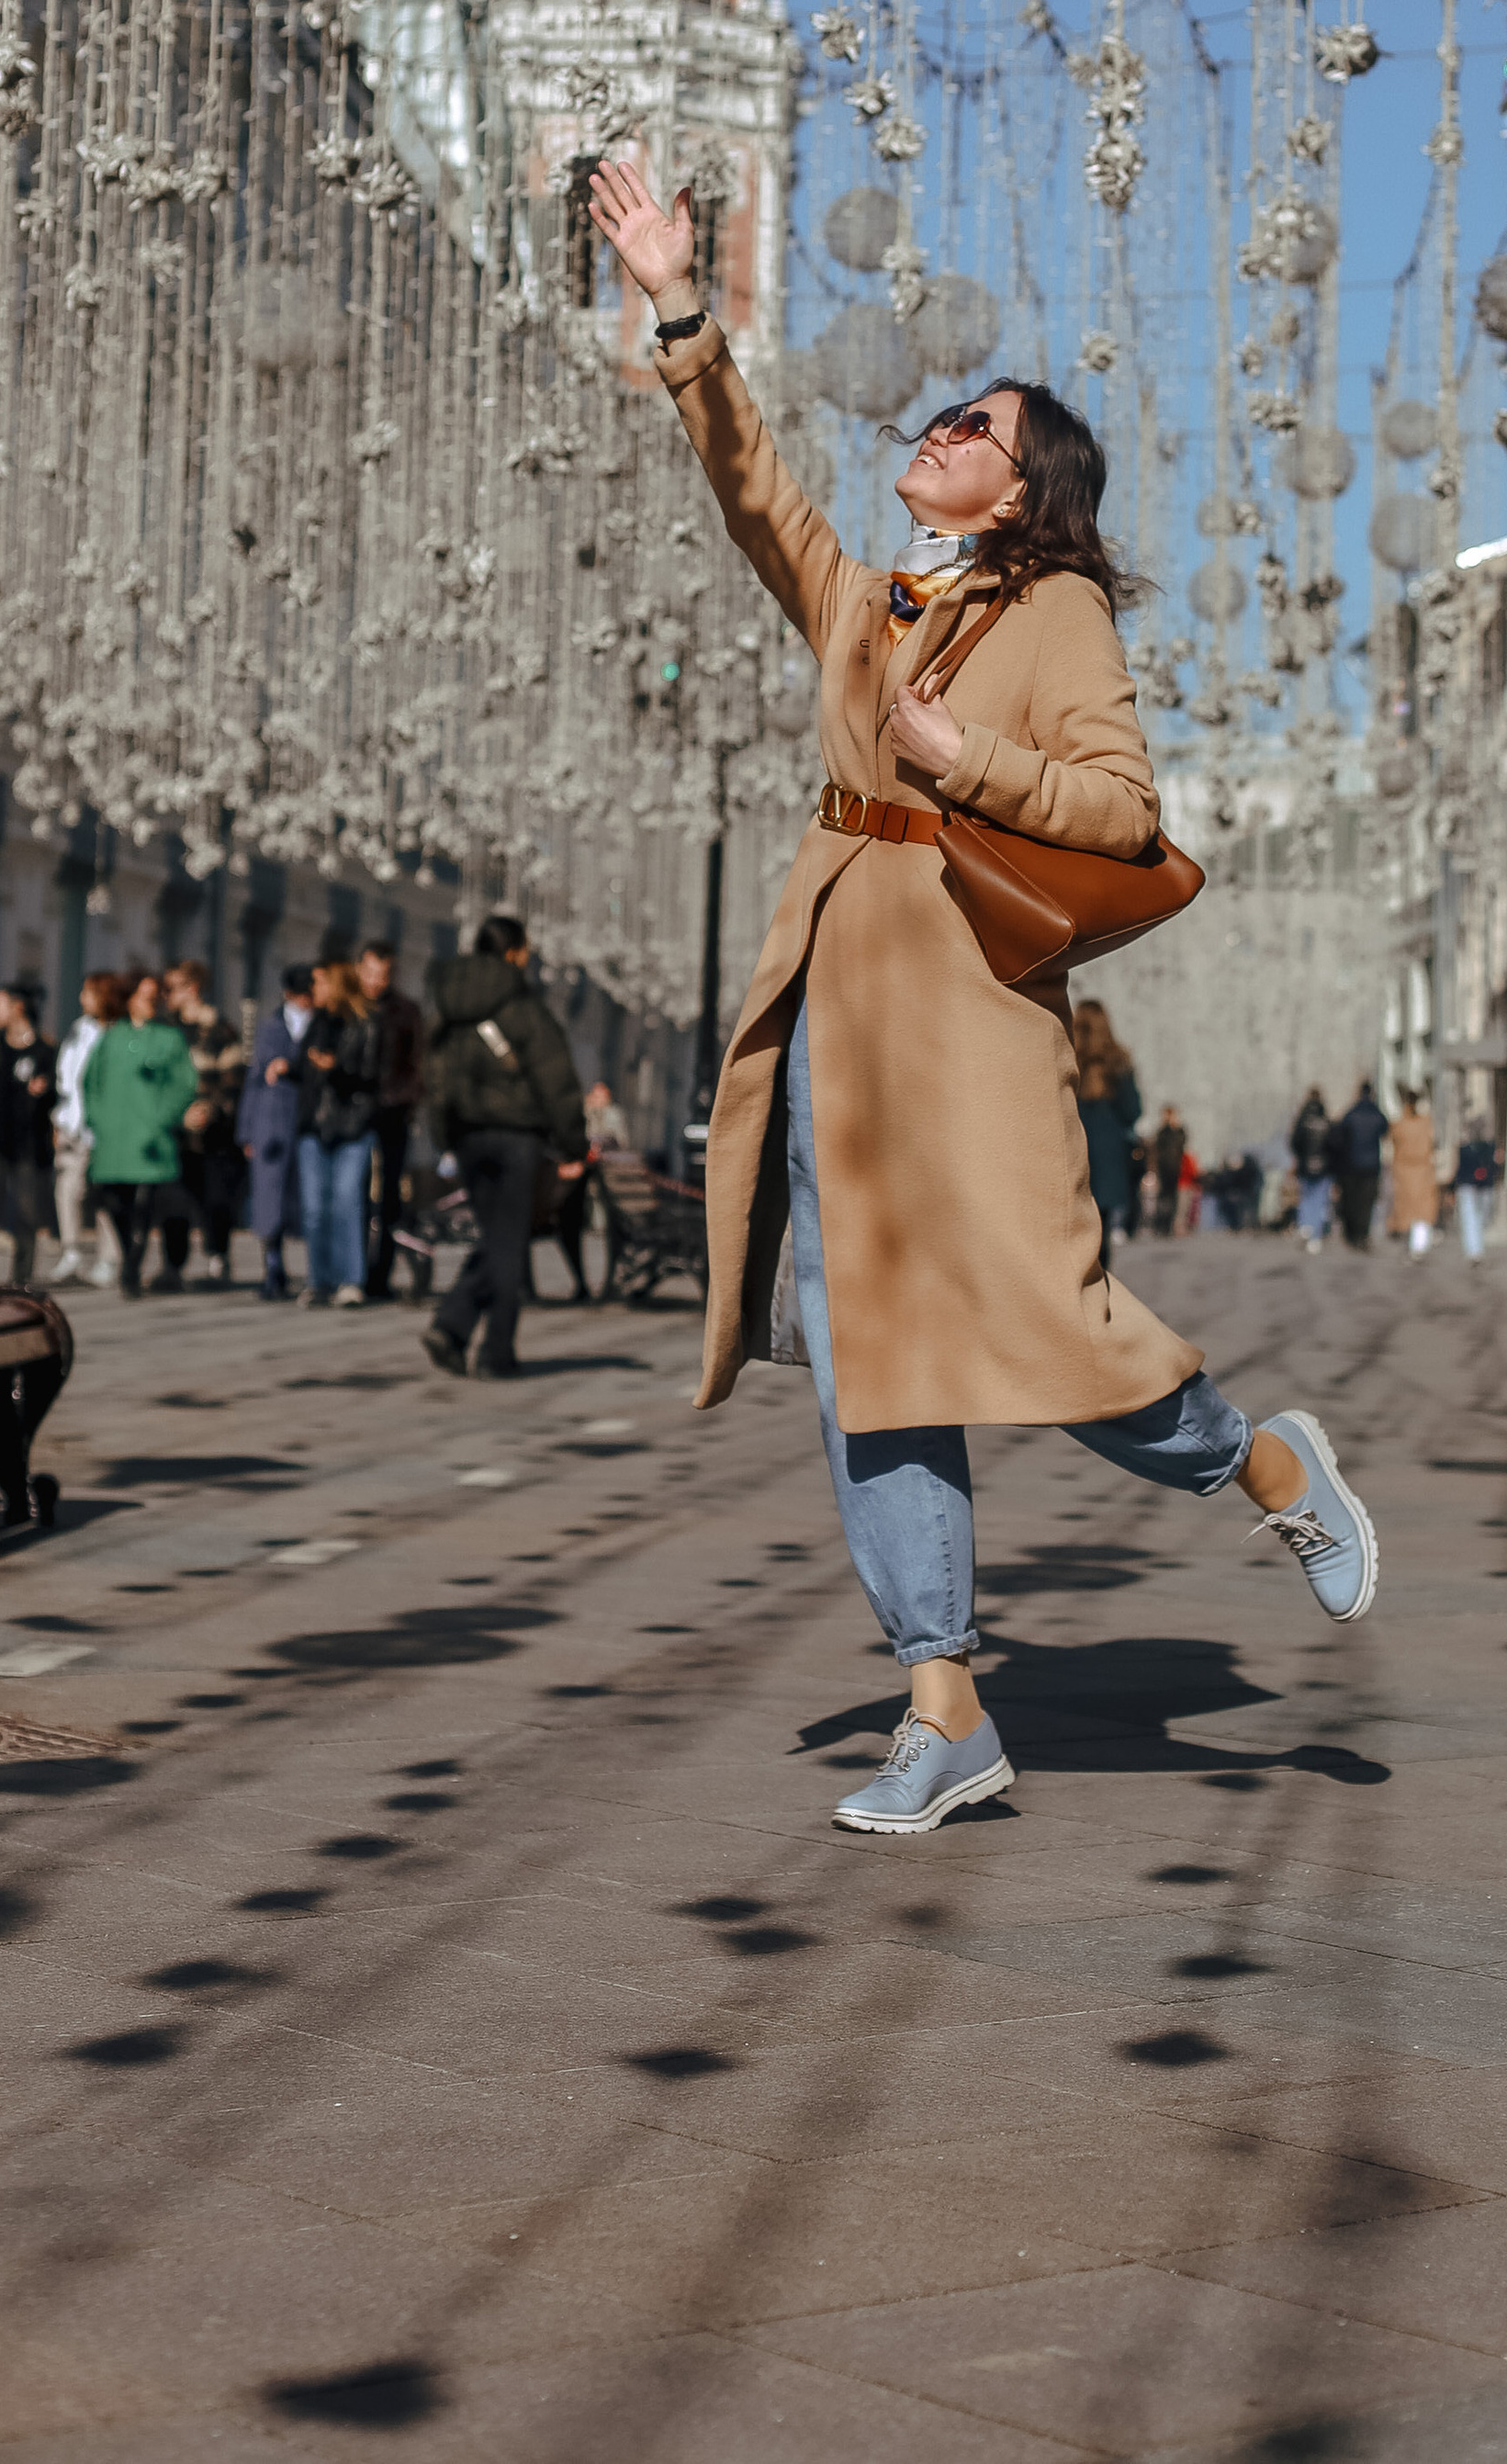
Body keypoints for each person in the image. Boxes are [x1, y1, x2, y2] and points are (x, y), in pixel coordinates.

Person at [588, 151, 1378, 1838]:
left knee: (1050, 1326)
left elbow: (1126, 813)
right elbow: (758, 493)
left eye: (975, 427)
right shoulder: (870, 603)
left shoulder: (1060, 607)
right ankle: (942, 1701)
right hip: (838, 1018)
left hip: (974, 1019)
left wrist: (971, 760)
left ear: (1024, 493)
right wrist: (683, 310)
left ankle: (1262, 1460)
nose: (938, 429)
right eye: (943, 414)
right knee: (867, 1353)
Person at [422, 916, 588, 1375]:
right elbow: (555, 1079)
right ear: (513, 952)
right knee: (509, 1242)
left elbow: (435, 1075)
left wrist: (444, 1135)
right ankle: (495, 1351)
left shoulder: (449, 1006)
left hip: (468, 1136)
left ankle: (452, 1330)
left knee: (497, 1237)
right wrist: (574, 1143)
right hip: (518, 1137)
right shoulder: (522, 1007)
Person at [79, 972, 198, 1298]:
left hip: (149, 1139)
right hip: (114, 1139)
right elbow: (90, 1082)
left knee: (144, 1205)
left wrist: (163, 1117)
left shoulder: (168, 1038)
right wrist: (96, 1119)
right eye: (145, 997)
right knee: (114, 1202)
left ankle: (132, 1264)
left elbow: (184, 1083)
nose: (151, 1003)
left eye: (155, 997)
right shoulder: (111, 1038)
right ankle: (128, 1252)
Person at [291, 948, 386, 1307]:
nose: (312, 988)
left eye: (318, 982)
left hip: (352, 1126)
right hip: (314, 1125)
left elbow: (372, 1074)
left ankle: (350, 1280)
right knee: (314, 1208)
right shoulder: (315, 1023)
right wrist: (287, 1068)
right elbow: (303, 1067)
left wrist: (336, 1068)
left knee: (347, 1203)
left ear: (335, 984)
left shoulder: (367, 1023)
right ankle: (319, 1279)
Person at [0, 984, 57, 1290]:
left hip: (28, 1142)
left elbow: (57, 1093)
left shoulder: (44, 1051)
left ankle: (21, 1277)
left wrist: (45, 1090)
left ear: (18, 1007)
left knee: (26, 1210)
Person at [163, 962, 249, 1288]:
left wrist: (210, 1109)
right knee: (173, 1201)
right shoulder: (165, 1030)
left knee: (216, 1199)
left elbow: (233, 1079)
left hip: (213, 1136)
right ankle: (173, 1265)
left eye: (171, 988)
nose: (165, 995)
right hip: (174, 1132)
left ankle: (218, 1257)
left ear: (192, 989)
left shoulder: (220, 1030)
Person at [238, 962, 316, 1300]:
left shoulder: (320, 1024)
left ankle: (317, 1272)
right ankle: (273, 1267)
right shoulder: (271, 1026)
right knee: (269, 1198)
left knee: (307, 1199)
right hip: (271, 1123)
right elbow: (254, 1080)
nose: (305, 1001)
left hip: (308, 1120)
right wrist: (246, 1130)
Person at [356, 940, 424, 1300]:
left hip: (393, 1114)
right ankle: (353, 1271)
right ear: (359, 969)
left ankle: (380, 1274)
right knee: (354, 1193)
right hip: (355, 1115)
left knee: (389, 1197)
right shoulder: (350, 1008)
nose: (375, 982)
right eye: (370, 973)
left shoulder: (405, 1011)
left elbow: (418, 1063)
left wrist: (405, 1101)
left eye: (382, 975)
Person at [50, 972, 123, 1288]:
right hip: (73, 1125)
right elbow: (66, 1077)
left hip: (104, 1129)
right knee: (67, 1189)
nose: (82, 998)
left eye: (89, 993)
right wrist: (60, 1119)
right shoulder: (79, 1029)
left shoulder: (118, 1033)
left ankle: (110, 1258)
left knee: (104, 1196)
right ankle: (72, 1251)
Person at [1073, 1000, 1142, 1255]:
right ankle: (1100, 1277)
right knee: (1101, 1230)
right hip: (1108, 1157)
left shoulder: (1064, 1058)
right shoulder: (1118, 1062)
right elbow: (1132, 1112)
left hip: (1073, 1150)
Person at [1333, 1079, 1389, 1251]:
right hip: (1371, 1165)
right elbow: (1385, 1130)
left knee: (1352, 1201)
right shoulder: (1376, 1114)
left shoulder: (1352, 1113)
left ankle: (1353, 1235)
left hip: (1351, 1164)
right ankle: (1363, 1234)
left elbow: (1341, 1136)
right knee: (1366, 1202)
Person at [1388, 1091, 1439, 1258]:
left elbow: (1393, 1141)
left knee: (1409, 1209)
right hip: (1422, 1169)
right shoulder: (1425, 1123)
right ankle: (1419, 1246)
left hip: (1406, 1170)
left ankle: (1414, 1245)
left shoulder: (1400, 1124)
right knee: (1421, 1209)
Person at [1288, 1089, 1335, 1253]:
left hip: (1305, 1165)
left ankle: (1305, 1226)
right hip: (1324, 1166)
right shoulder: (1326, 1120)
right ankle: (1315, 1236)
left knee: (1306, 1197)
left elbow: (1294, 1143)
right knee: (1320, 1200)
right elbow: (1333, 1144)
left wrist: (1302, 1157)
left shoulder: (1302, 1120)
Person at [1452, 1118, 1501, 1269]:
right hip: (1475, 1187)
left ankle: (1475, 1251)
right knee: (1474, 1219)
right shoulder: (1485, 1149)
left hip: (1474, 1187)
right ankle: (1475, 1252)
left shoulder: (1469, 1149)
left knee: (1474, 1219)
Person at [1144, 1101, 1190, 1234]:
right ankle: (1160, 1225)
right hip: (1163, 1168)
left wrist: (1175, 1127)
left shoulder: (1179, 1131)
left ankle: (1169, 1225)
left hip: (1175, 1168)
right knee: (1163, 1197)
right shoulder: (1162, 1132)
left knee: (1173, 1197)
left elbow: (1182, 1143)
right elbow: (1156, 1149)